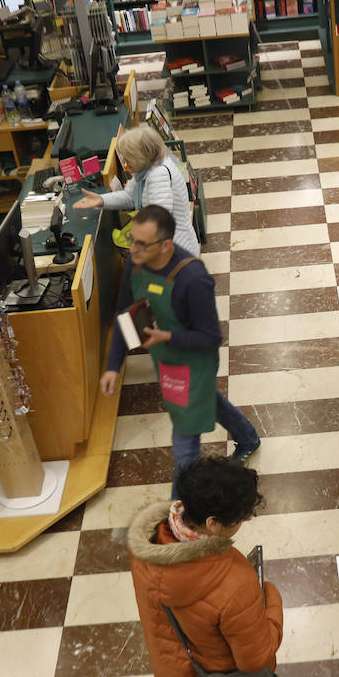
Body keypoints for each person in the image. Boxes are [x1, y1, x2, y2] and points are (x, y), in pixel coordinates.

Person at [129, 457, 287, 677]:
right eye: (238, 520)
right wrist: (271, 599)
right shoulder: (233, 582)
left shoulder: (152, 544)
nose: (241, 524)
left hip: (183, 668)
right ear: (213, 523)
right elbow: (254, 657)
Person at [100, 205, 260, 490]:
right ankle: (247, 438)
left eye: (141, 243)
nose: (133, 249)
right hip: (165, 358)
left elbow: (211, 338)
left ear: (166, 245)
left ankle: (179, 511)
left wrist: (169, 337)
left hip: (195, 362)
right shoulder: (134, 264)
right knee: (206, 401)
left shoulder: (193, 279)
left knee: (185, 445)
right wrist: (113, 365)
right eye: (131, 240)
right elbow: (123, 315)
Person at [71, 125, 200, 255]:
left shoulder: (158, 174)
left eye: (128, 158)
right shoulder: (147, 168)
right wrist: (101, 200)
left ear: (140, 156)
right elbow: (129, 196)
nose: (125, 163)